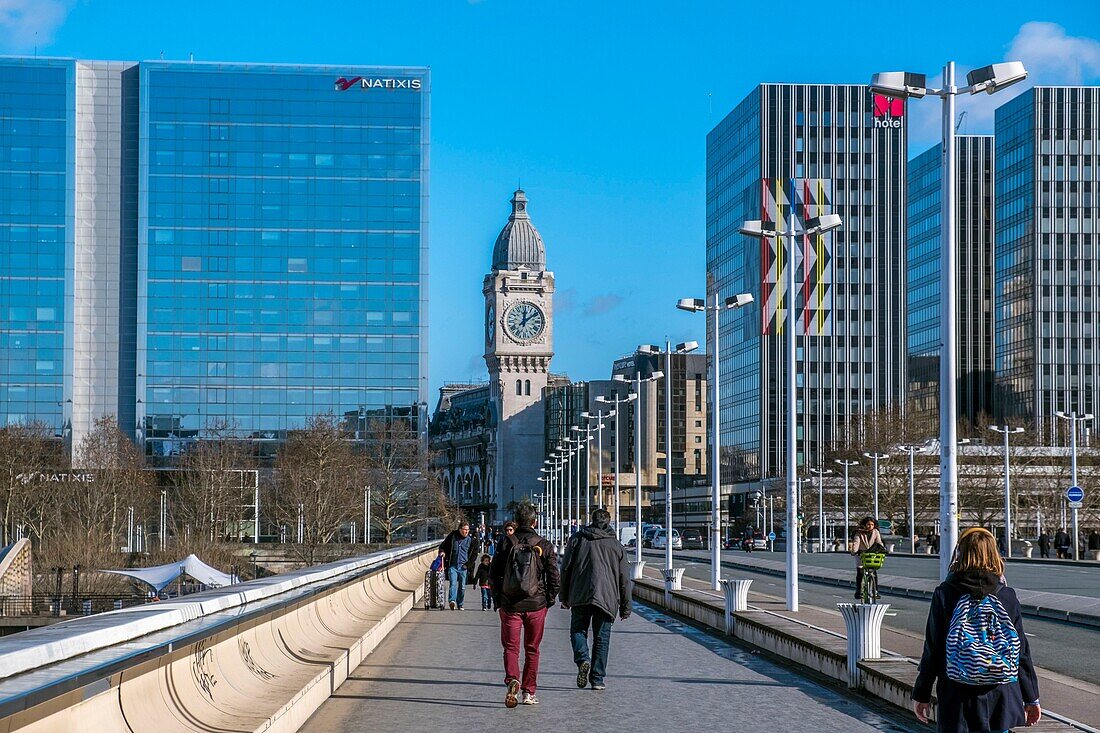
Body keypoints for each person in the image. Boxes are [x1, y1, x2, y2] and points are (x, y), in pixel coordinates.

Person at [912, 527, 1040, 732]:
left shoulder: (945, 594)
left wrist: (922, 693)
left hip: (957, 696)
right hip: (1001, 695)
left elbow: (933, 649)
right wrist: (1031, 697)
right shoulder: (1006, 596)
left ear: (959, 554)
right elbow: (1022, 651)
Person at [490, 503, 559, 708]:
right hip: (536, 605)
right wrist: (549, 599)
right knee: (532, 649)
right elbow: (554, 576)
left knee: (511, 648)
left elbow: (494, 574)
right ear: (534, 522)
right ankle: (529, 692)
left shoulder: (505, 542)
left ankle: (513, 679)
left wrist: (498, 600)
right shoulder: (544, 545)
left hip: (510, 605)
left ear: (517, 522)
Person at [559, 508, 631, 691]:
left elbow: (565, 569)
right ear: (609, 522)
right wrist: (625, 607)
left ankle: (583, 658)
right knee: (602, 638)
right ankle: (597, 679)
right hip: (607, 598)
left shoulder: (577, 539)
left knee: (578, 630)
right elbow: (624, 578)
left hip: (580, 594)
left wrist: (564, 597)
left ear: (591, 521)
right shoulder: (616, 545)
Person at [437, 521, 478, 610]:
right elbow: (443, 546)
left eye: (467, 530)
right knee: (453, 584)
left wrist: (468, 565)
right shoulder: (452, 537)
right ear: (459, 529)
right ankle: (452, 601)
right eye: (464, 530)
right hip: (453, 565)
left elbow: (474, 555)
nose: (466, 532)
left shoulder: (471, 541)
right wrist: (442, 552)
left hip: (464, 567)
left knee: (462, 587)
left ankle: (460, 604)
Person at [849, 517, 885, 601]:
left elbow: (879, 542)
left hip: (872, 554)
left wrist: (883, 549)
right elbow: (856, 543)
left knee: (873, 572)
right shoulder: (859, 533)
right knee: (860, 572)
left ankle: (875, 591)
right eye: (868, 524)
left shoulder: (876, 532)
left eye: (872, 525)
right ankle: (858, 591)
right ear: (865, 524)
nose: (870, 526)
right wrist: (854, 551)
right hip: (861, 554)